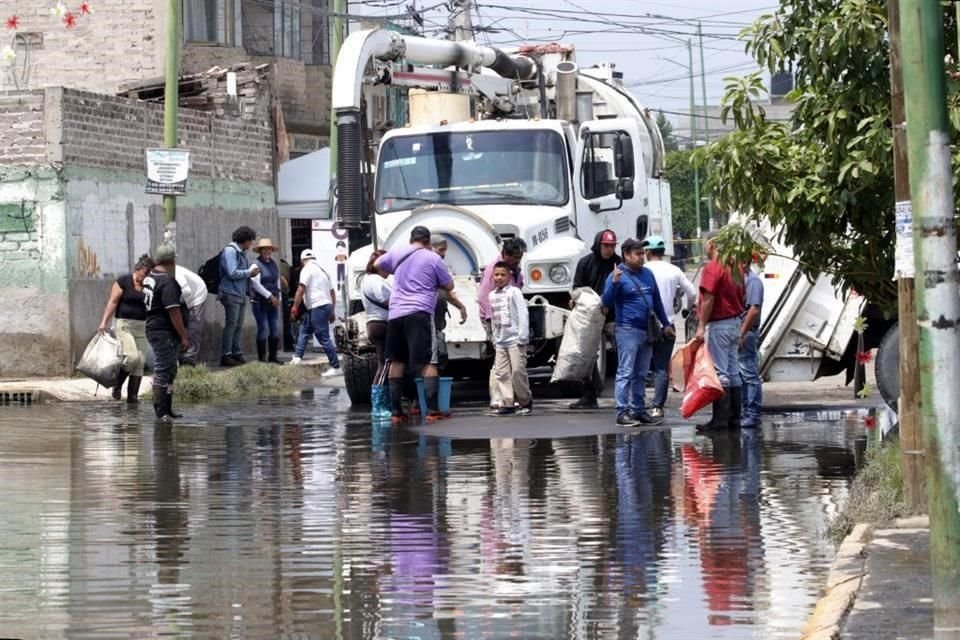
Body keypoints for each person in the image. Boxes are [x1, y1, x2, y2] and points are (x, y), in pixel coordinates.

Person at [375, 225, 456, 424]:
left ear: (411, 239)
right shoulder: (433, 258)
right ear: (428, 241)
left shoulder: (397, 252)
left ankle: (396, 412)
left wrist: (394, 273)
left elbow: (377, 264)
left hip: (395, 314)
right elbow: (449, 285)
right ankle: (433, 410)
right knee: (429, 360)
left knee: (397, 360)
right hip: (419, 312)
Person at [601, 238, 674, 427]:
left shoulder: (648, 274)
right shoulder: (616, 275)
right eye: (638, 254)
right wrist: (614, 284)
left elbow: (656, 301)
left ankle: (639, 410)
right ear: (626, 255)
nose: (642, 257)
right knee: (625, 372)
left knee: (641, 374)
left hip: (646, 331)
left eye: (643, 253)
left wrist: (666, 324)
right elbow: (606, 303)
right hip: (627, 330)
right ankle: (622, 412)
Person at [694, 232, 746, 431]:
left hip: (720, 325)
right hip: (734, 323)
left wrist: (701, 326)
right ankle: (734, 419)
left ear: (713, 244)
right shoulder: (736, 267)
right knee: (734, 372)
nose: (705, 249)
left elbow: (708, 298)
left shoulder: (713, 267)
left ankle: (720, 420)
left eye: (705, 244)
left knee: (721, 373)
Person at [643, 235, 697, 418]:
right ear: (663, 252)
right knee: (661, 368)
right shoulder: (674, 270)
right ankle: (658, 407)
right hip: (668, 325)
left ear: (647, 252)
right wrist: (687, 311)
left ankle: (637, 404)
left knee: (639, 366)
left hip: (644, 325)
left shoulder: (642, 270)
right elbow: (692, 293)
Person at [569, 229, 621, 410]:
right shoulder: (585, 263)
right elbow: (577, 287)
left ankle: (625, 395)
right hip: (590, 316)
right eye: (606, 246)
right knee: (587, 355)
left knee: (622, 353)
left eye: (612, 246)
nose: (609, 249)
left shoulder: (619, 264)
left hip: (612, 315)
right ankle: (588, 394)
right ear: (598, 244)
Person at [97, 254, 155, 403]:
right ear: (138, 268)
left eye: (150, 273)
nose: (147, 275)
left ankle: (132, 399)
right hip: (124, 326)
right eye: (145, 272)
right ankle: (117, 386)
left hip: (141, 326)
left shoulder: (149, 286)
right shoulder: (124, 281)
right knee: (132, 357)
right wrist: (104, 322)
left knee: (140, 362)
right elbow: (113, 302)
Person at [142, 244, 190, 423]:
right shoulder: (167, 282)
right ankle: (161, 412)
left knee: (170, 369)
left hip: (155, 329)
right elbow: (173, 311)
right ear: (173, 261)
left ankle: (167, 409)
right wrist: (184, 335)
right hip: (163, 332)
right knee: (163, 369)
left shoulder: (150, 278)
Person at [477, 238, 527, 410]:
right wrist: (493, 322)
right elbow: (484, 296)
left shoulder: (515, 270)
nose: (517, 261)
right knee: (499, 362)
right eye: (515, 258)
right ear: (505, 255)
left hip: (511, 323)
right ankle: (498, 397)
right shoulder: (495, 269)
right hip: (495, 319)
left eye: (520, 258)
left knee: (515, 366)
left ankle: (513, 397)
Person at [489, 262, 532, 416]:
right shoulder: (492, 295)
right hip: (500, 341)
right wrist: (494, 338)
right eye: (496, 274)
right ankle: (508, 403)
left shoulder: (514, 292)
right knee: (502, 373)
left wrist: (522, 336)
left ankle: (525, 401)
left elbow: (522, 314)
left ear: (509, 276)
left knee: (517, 372)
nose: (499, 277)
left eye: (502, 274)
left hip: (515, 340)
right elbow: (494, 319)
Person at [290, 249, 341, 375]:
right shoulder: (324, 270)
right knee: (304, 329)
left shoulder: (306, 269)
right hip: (323, 305)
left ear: (302, 260)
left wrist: (294, 307)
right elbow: (332, 292)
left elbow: (300, 290)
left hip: (317, 305)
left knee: (323, 337)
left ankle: (336, 367)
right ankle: (297, 357)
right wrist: (332, 310)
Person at [218, 226, 260, 367]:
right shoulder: (231, 251)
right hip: (230, 293)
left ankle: (236, 352)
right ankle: (226, 354)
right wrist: (249, 272)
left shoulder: (241, 252)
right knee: (231, 324)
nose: (251, 244)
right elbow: (232, 272)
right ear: (245, 240)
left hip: (240, 293)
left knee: (238, 325)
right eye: (250, 241)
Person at [430, 234, 468, 368]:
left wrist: (461, 307)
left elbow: (447, 293)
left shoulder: (440, 265)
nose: (443, 254)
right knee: (434, 354)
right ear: (430, 248)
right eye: (440, 250)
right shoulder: (428, 265)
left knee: (440, 353)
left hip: (438, 322)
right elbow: (448, 287)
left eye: (445, 250)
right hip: (428, 320)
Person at [738, 256, 765, 428]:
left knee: (749, 373)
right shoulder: (742, 280)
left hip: (746, 332)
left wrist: (741, 333)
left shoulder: (753, 282)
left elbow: (754, 310)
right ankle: (745, 410)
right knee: (741, 374)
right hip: (741, 331)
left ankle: (752, 413)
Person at [250, 238, 283, 363]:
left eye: (269, 249)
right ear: (260, 251)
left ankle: (273, 356)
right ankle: (262, 359)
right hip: (259, 302)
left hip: (273, 301)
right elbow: (255, 284)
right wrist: (270, 296)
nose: (267, 251)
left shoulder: (274, 264)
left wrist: (278, 297)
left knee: (274, 328)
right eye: (264, 249)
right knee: (263, 328)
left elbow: (277, 281)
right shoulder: (255, 265)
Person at [361, 249, 391, 383]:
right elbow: (385, 300)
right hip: (381, 324)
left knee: (383, 364)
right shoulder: (376, 280)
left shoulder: (367, 279)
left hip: (374, 323)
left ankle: (380, 399)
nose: (390, 270)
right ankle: (379, 400)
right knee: (385, 365)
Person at [174, 264, 208, 367]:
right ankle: (181, 358)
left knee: (194, 329)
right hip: (183, 300)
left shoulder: (176, 273)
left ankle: (189, 361)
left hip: (197, 295)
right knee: (180, 328)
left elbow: (187, 291)